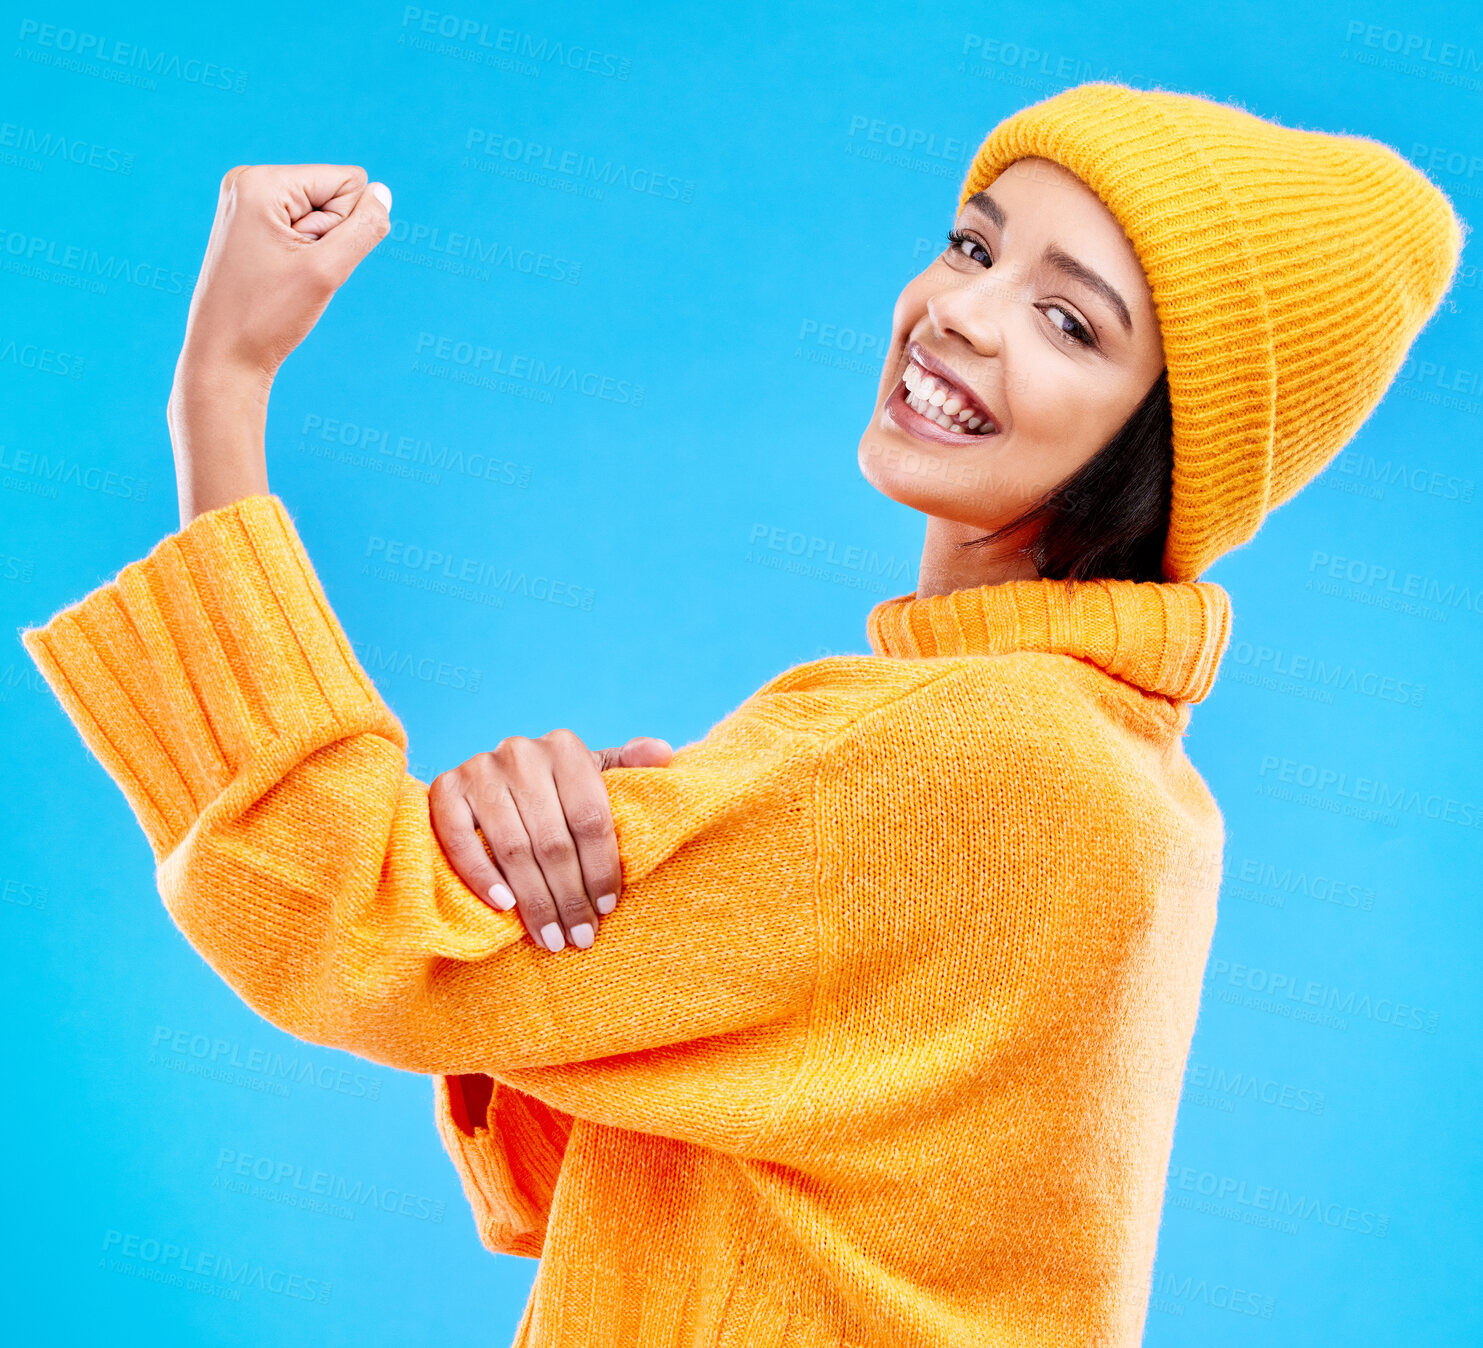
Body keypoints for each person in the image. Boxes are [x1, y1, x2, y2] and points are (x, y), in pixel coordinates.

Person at [21, 82, 1461, 1347]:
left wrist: (222, 385)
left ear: (1164, 445)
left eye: (1068, 320)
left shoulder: (979, 758)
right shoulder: (1116, 781)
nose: (960, 310)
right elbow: (618, 1184)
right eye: (973, 242)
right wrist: (589, 900)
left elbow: (343, 905)